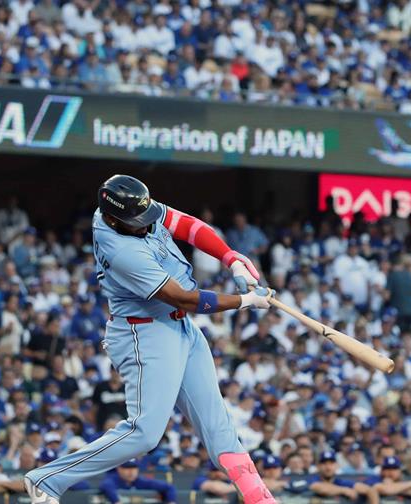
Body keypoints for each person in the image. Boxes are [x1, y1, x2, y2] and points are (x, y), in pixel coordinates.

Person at [24, 175, 275, 504]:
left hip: (179, 326)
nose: (146, 224)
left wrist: (230, 258)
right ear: (114, 220)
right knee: (145, 433)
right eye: (137, 222)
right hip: (146, 332)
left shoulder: (130, 210)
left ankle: (260, 498)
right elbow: (184, 298)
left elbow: (186, 225)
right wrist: (244, 301)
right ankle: (46, 480)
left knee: (219, 426)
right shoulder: (121, 249)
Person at [307, 450, 379, 504]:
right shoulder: (314, 478)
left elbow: (370, 490)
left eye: (331, 463)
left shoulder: (340, 482)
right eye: (324, 463)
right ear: (318, 466)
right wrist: (344, 490)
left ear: (336, 465)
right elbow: (318, 488)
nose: (328, 467)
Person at [99, 458, 177, 504]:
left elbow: (169, 487)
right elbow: (106, 485)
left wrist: (171, 502)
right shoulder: (113, 479)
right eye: (127, 468)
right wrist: (116, 501)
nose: (131, 472)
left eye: (134, 468)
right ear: (119, 469)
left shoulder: (139, 481)